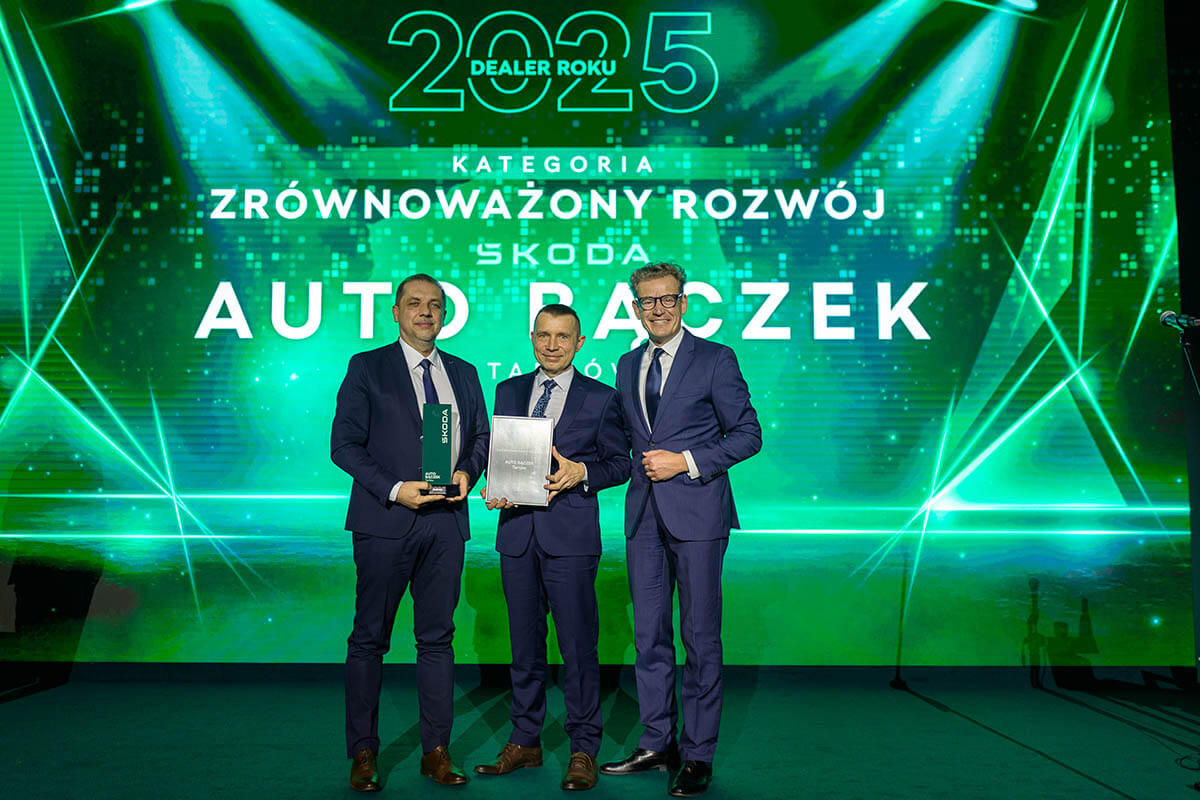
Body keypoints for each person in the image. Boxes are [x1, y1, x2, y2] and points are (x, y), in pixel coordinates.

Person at [600, 262, 762, 797]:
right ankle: (656, 743)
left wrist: (686, 461)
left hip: (698, 517)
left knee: (699, 638)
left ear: (684, 303)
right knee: (649, 637)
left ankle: (697, 755)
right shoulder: (628, 363)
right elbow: (622, 443)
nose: (658, 309)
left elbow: (748, 434)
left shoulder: (716, 358)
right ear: (635, 308)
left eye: (667, 298)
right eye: (648, 301)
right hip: (643, 517)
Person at [331, 273, 489, 792]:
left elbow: (481, 437)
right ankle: (363, 752)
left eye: (435, 305)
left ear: (445, 314)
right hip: (385, 522)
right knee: (368, 640)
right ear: (396, 311)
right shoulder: (367, 366)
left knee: (438, 640)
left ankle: (436, 751)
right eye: (415, 303)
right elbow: (344, 446)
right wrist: (395, 489)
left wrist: (467, 471)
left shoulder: (463, 372)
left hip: (445, 524)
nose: (426, 312)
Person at [475, 304, 631, 791]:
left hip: (571, 538)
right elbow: (501, 455)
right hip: (517, 533)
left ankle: (583, 747)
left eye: (563, 336)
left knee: (578, 648)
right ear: (532, 337)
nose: (552, 344)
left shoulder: (602, 397)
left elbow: (620, 464)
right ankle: (525, 740)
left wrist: (582, 472)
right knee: (524, 647)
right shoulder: (509, 390)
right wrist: (494, 483)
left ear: (579, 343)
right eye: (544, 335)